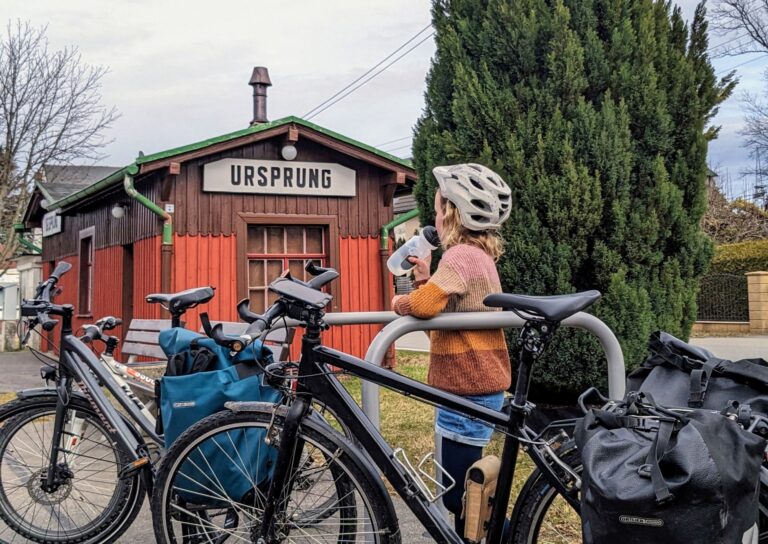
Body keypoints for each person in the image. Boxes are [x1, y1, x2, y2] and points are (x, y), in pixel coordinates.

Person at [391, 163, 512, 540]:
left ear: (451, 213)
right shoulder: (480, 258)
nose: (434, 215)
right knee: (473, 492)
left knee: (462, 498)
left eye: (438, 206)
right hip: (481, 385)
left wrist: (401, 302)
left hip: (465, 392)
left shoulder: (459, 256)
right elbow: (451, 310)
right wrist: (426, 276)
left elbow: (426, 305)